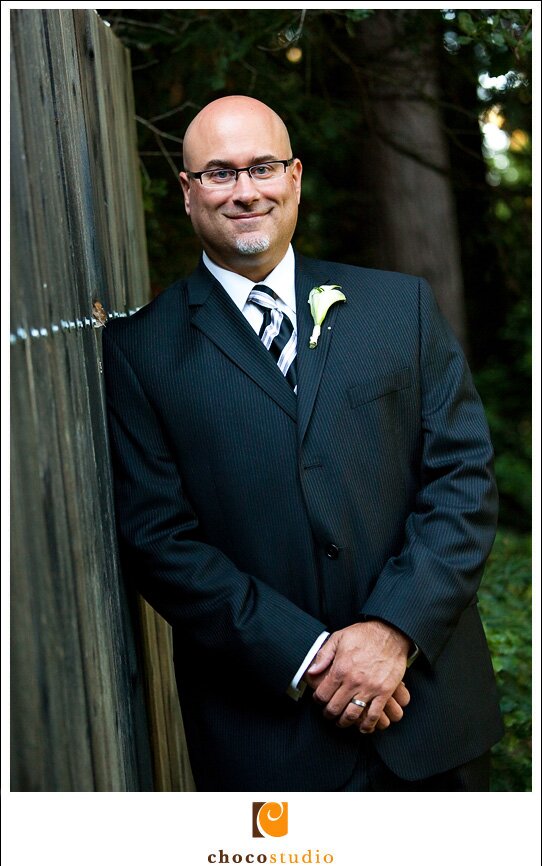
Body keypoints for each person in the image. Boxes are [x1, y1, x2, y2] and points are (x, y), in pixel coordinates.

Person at [103, 95, 504, 791]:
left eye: (262, 167)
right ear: (188, 191)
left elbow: (462, 481)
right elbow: (160, 541)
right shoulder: (141, 353)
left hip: (432, 718)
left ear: (294, 176)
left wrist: (391, 632)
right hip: (269, 739)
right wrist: (311, 656)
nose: (245, 191)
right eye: (220, 174)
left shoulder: (398, 308)